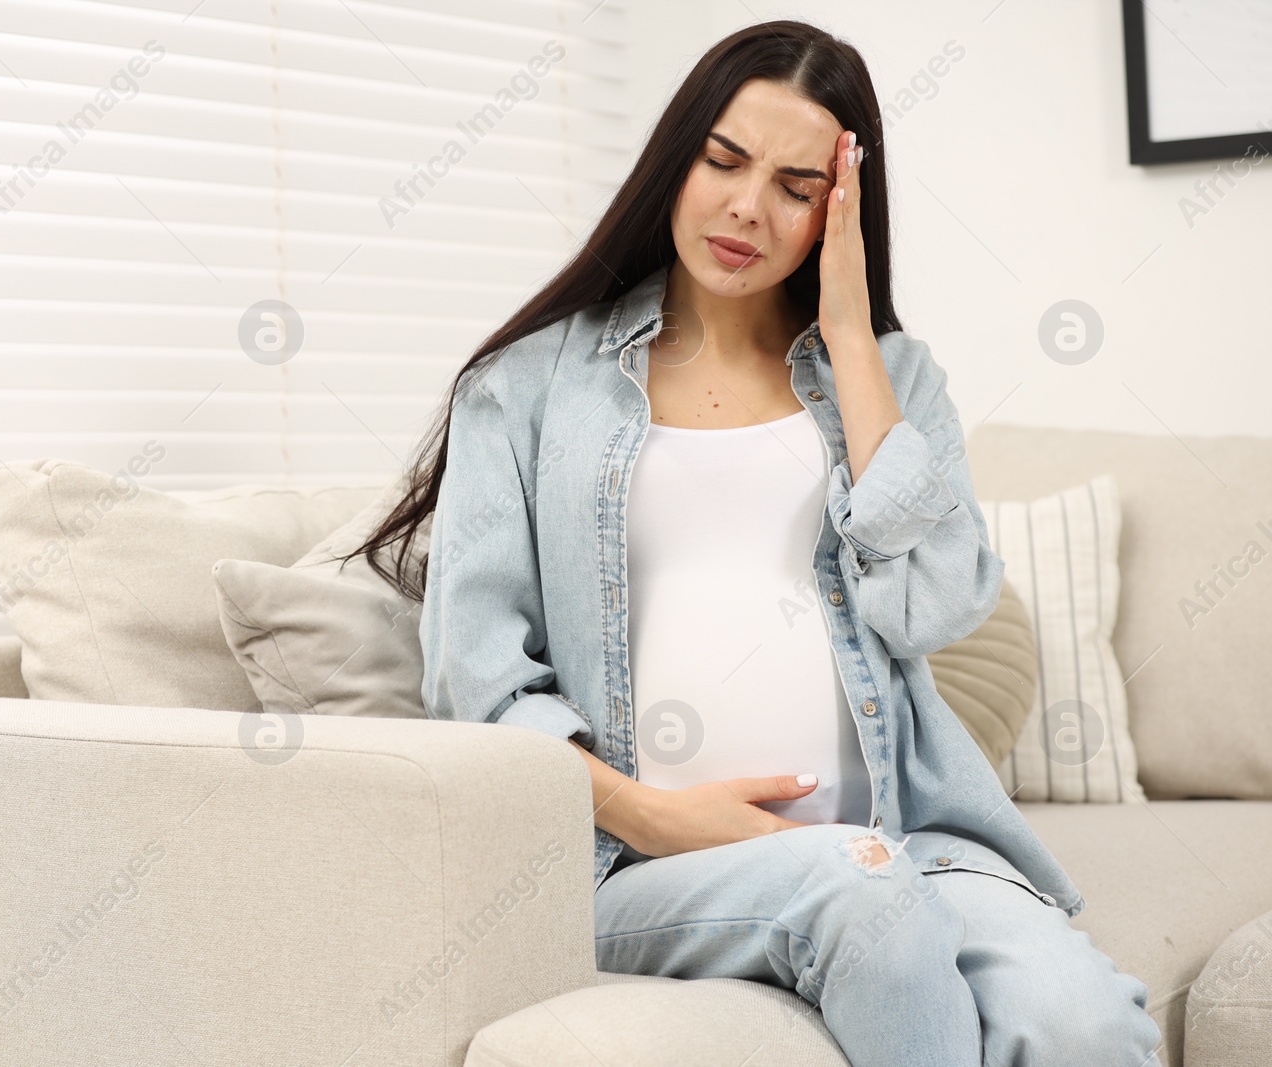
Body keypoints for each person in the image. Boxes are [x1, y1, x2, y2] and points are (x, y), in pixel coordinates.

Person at [341, 19, 1162, 1067]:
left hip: (901, 834)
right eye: (722, 161)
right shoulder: (526, 388)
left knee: (1080, 1022)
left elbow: (940, 602)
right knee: (859, 890)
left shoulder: (896, 382)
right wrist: (656, 816)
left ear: (838, 206)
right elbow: (477, 685)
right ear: (673, 160)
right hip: (629, 862)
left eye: (794, 184)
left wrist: (854, 338)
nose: (746, 208)